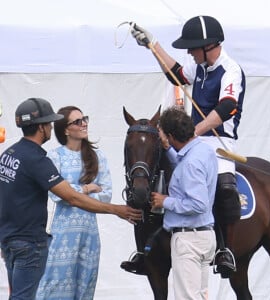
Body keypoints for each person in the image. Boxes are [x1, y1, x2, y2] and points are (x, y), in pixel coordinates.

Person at [127, 15, 245, 277]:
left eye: (192, 47)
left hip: (218, 143)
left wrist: (193, 133)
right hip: (190, 140)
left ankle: (225, 249)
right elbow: (177, 74)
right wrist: (152, 45)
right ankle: (143, 248)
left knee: (225, 187)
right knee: (152, 172)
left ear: (208, 46)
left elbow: (225, 108)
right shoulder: (199, 67)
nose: (189, 53)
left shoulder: (231, 70)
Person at [0, 98, 142, 300]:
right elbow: (67, 197)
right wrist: (113, 208)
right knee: (35, 294)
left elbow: (6, 196)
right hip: (32, 242)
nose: (50, 127)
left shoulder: (9, 154)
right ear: (41, 127)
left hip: (15, 239)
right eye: (48, 123)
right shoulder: (39, 159)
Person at [36, 106, 112, 299]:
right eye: (77, 121)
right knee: (54, 286)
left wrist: (72, 191)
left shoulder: (98, 157)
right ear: (65, 129)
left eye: (84, 119)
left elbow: (107, 194)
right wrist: (86, 188)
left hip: (89, 234)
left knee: (85, 287)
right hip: (63, 234)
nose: (84, 123)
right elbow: (57, 195)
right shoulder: (55, 156)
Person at [151, 107, 217, 300]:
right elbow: (185, 165)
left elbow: (199, 204)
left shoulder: (190, 163)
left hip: (189, 240)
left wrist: (166, 201)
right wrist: (168, 148)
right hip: (206, 237)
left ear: (171, 135)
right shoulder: (203, 150)